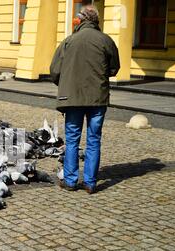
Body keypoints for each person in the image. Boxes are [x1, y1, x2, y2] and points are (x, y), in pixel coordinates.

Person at [50, 5, 120, 194]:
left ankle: (71, 181)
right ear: (96, 20)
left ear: (80, 20)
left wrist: (66, 84)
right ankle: (90, 182)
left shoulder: (68, 41)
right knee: (94, 139)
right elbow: (114, 68)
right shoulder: (106, 40)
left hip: (72, 99)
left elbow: (55, 71)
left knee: (72, 140)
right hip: (98, 98)